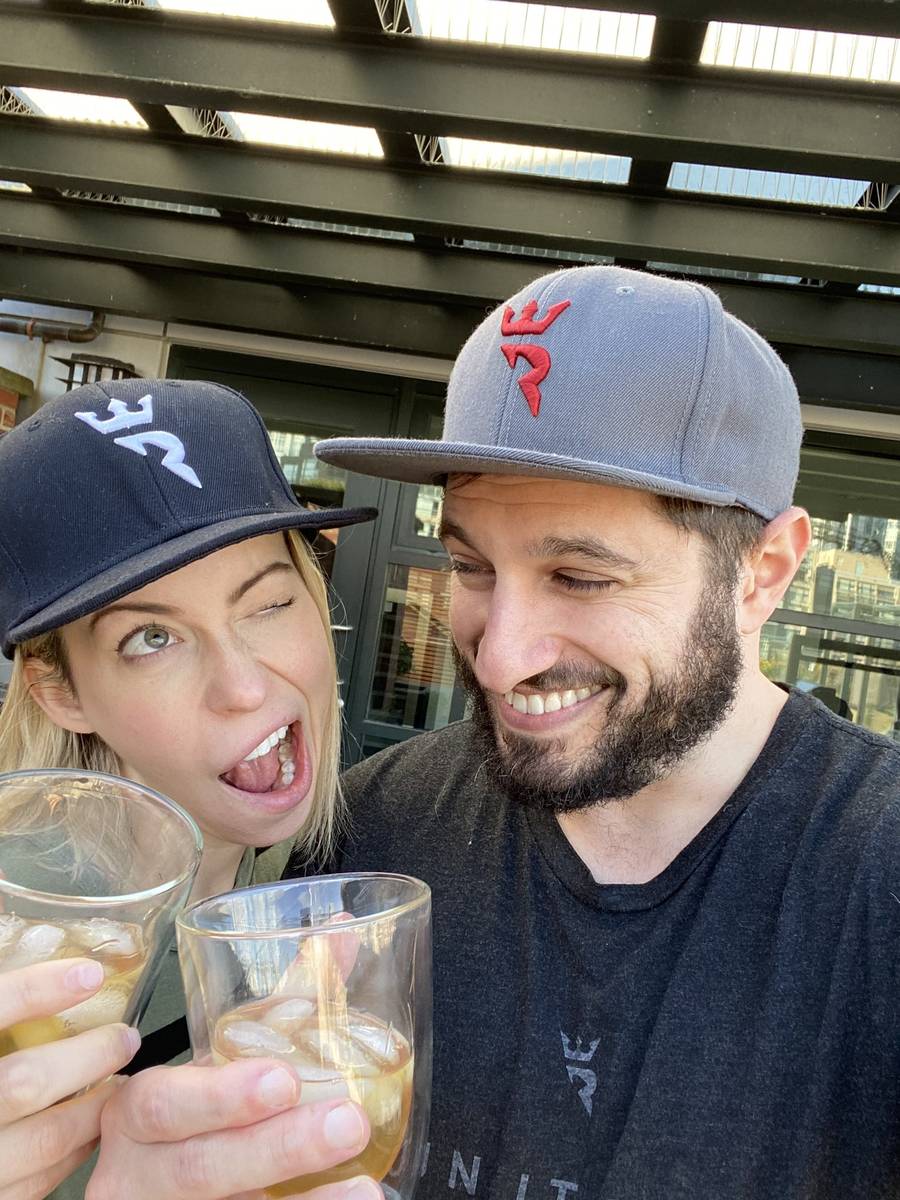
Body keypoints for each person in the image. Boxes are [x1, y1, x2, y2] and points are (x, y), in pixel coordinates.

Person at [91, 267, 900, 1200]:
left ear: (762, 574)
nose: (500, 656)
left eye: (579, 577)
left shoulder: (872, 879)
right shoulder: (376, 832)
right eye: (470, 565)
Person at [0, 378, 382, 1200]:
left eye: (270, 602)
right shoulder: (21, 924)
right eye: (152, 637)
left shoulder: (329, 866)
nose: (244, 686)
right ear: (59, 689)